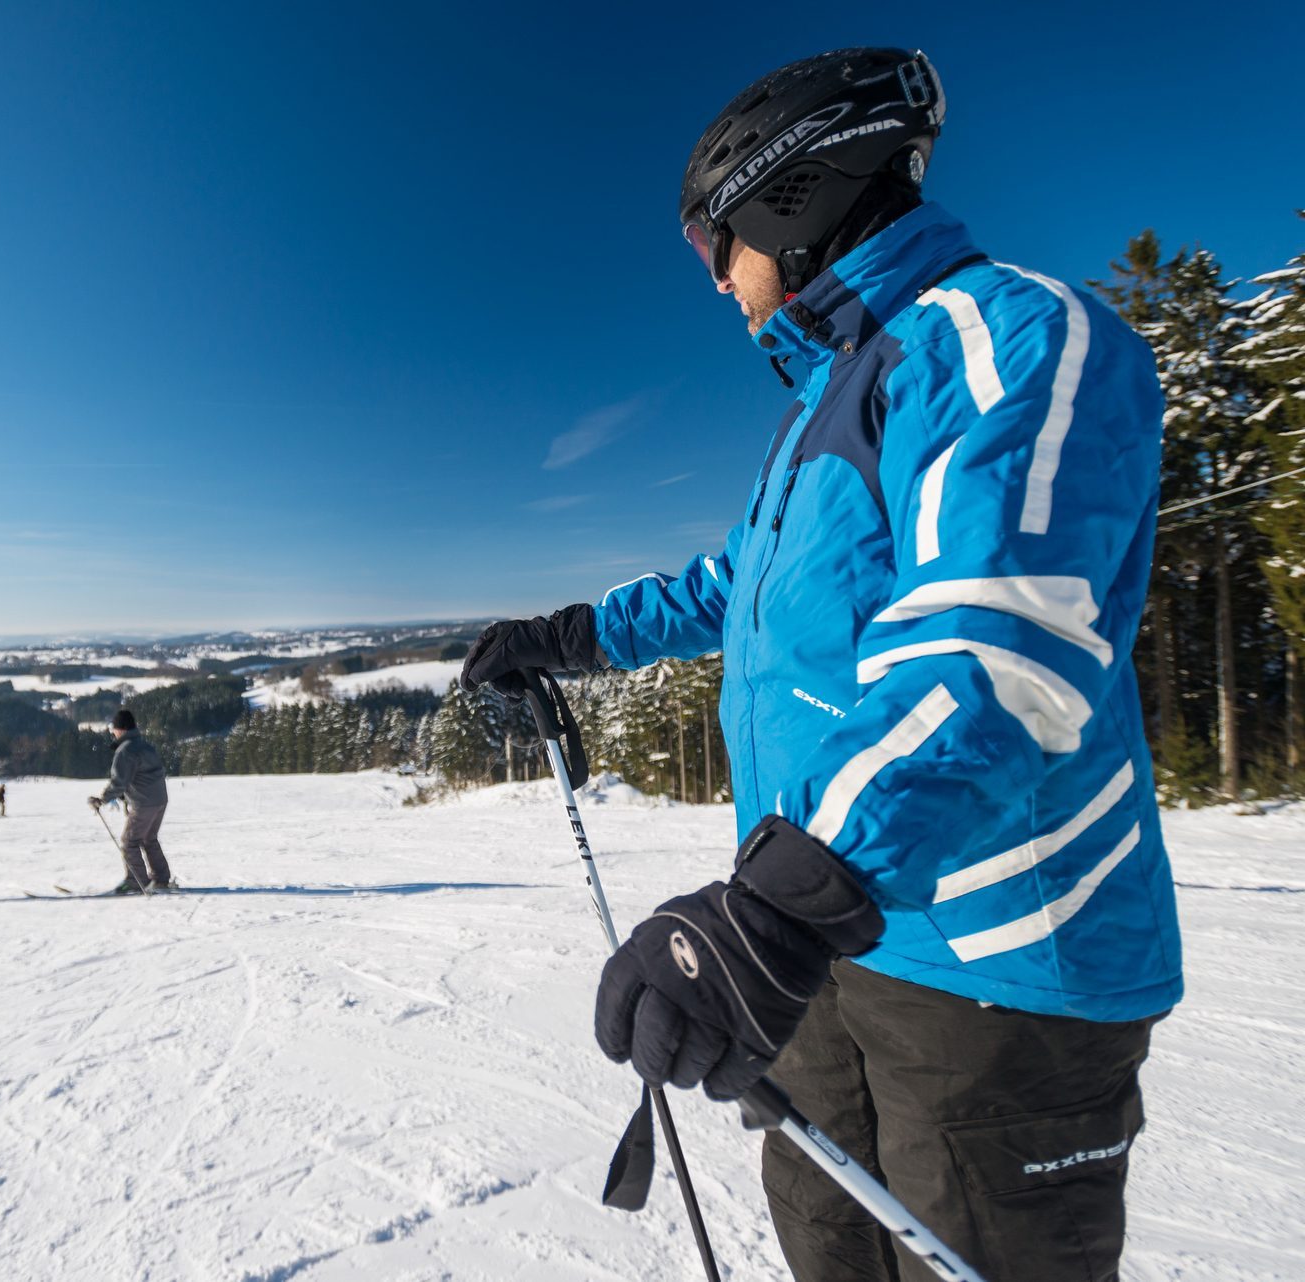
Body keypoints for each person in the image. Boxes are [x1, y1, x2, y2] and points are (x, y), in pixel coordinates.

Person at [460, 48, 1179, 1282]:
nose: (718, 282)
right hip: (827, 946)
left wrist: (776, 908)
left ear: (793, 205)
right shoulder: (819, 415)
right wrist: (568, 638)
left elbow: (995, 651)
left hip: (987, 965)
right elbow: (728, 588)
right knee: (827, 1250)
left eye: (715, 246)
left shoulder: (1004, 337)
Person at [89, 709, 173, 894]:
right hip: (159, 800)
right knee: (148, 838)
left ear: (123, 729)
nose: (113, 732)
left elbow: (119, 781)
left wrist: (102, 799)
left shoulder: (125, 750)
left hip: (144, 803)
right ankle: (161, 878)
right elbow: (143, 775)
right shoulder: (145, 745)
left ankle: (136, 881)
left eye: (115, 729)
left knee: (129, 841)